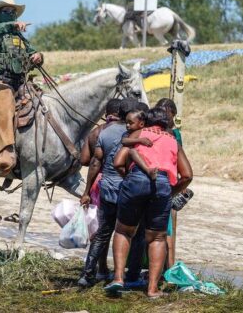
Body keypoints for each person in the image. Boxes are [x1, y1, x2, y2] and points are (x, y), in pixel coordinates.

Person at [108, 107, 193, 298]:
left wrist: (130, 178)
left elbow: (117, 162)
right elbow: (187, 175)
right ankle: (153, 289)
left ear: (147, 121)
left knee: (124, 230)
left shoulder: (138, 133)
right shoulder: (173, 141)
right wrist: (170, 192)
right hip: (162, 185)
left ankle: (118, 279)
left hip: (136, 181)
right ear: (167, 123)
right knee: (157, 238)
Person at [0, 0, 43, 176]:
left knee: (42, 104)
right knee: (6, 108)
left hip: (21, 83)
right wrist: (12, 26)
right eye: (6, 11)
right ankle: (4, 153)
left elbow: (32, 52)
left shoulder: (20, 37)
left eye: (13, 12)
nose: (11, 14)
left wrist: (38, 56)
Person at [77, 98, 138, 287]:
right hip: (129, 190)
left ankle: (87, 275)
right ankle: (123, 276)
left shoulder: (104, 132)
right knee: (128, 233)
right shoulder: (135, 134)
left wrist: (86, 191)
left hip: (107, 188)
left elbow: (93, 163)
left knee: (103, 232)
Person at [79, 98, 121, 279]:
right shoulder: (127, 132)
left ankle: (101, 267)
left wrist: (86, 191)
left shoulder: (97, 131)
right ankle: (115, 271)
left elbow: (85, 160)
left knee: (99, 227)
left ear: (106, 114)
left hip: (97, 182)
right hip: (118, 181)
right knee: (118, 228)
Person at [155, 98, 194, 267]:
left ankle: (167, 268)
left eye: (167, 114)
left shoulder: (172, 134)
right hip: (168, 183)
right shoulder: (170, 134)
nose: (165, 117)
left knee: (165, 229)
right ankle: (164, 269)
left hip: (167, 183)